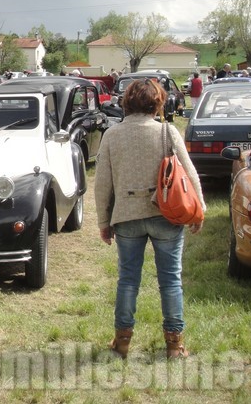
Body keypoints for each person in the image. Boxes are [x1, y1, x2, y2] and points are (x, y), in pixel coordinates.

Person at [95, 78, 204, 359]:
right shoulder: (167, 132)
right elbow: (190, 174)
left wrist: (103, 222)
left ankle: (122, 342)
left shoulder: (112, 135)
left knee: (128, 280)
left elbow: (102, 184)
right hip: (166, 214)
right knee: (170, 280)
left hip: (127, 216)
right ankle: (174, 345)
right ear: (158, 102)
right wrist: (199, 209)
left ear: (127, 102)